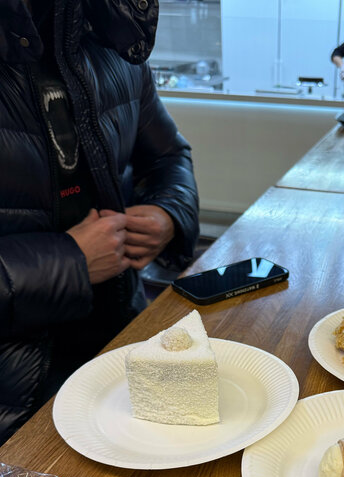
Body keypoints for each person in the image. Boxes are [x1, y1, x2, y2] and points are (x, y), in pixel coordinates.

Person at [0, 0, 199, 445]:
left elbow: (168, 157)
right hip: (17, 401)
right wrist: (69, 263)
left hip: (124, 343)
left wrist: (169, 213)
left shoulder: (113, 37)